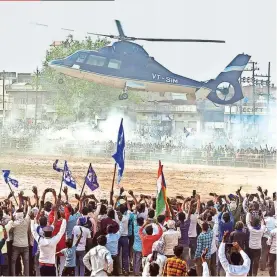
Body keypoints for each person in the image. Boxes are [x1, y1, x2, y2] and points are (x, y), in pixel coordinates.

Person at [246, 212, 266, 276]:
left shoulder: (251, 229)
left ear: (253, 223)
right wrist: (262, 216)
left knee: (250, 261)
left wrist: (248, 213)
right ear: (258, 223)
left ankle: (250, 274)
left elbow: (247, 222)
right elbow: (264, 224)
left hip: (251, 248)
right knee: (256, 262)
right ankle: (255, 274)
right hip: (258, 248)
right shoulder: (261, 230)